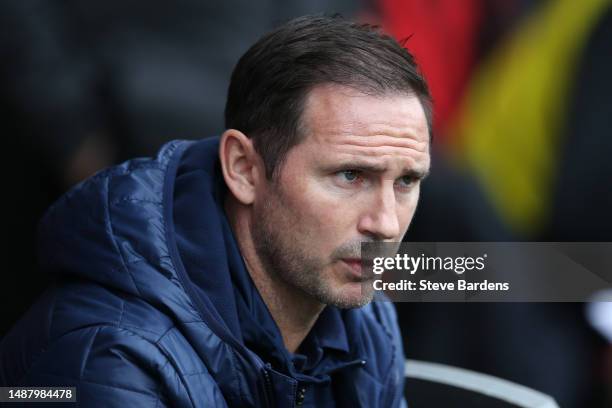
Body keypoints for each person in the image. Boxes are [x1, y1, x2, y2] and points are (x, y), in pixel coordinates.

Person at [0, 15, 431, 407]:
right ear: (243, 169)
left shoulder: (365, 319)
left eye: (406, 181)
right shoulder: (110, 361)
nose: (386, 224)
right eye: (350, 176)